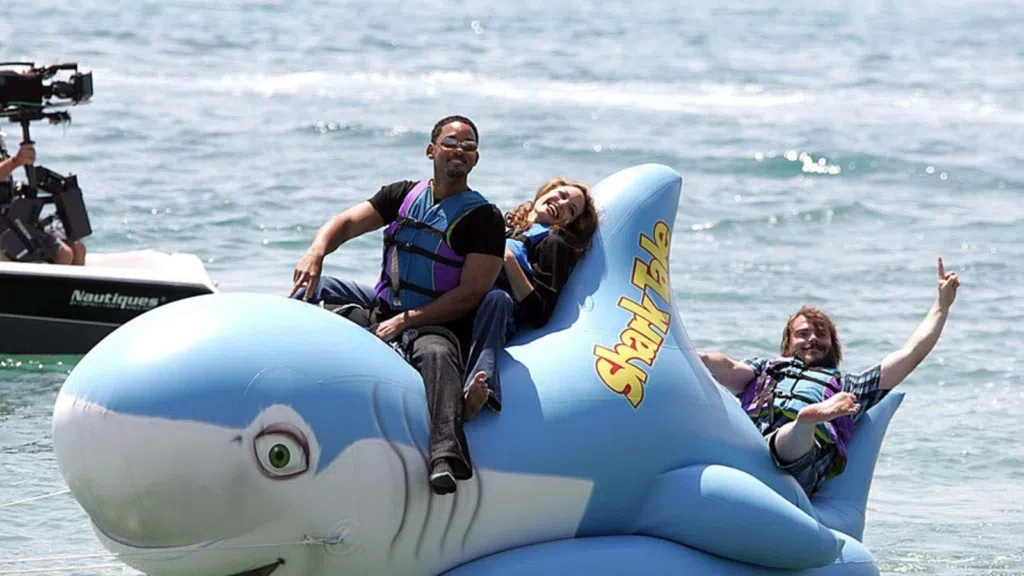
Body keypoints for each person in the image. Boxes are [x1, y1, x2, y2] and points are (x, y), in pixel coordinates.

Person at [288, 115, 506, 496]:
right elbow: (345, 222)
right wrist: (316, 253)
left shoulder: (485, 219)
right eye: (452, 143)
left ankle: (445, 456)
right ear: (431, 150)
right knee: (313, 291)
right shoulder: (401, 195)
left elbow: (471, 295)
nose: (460, 151)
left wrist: (407, 322)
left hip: (437, 321)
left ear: (475, 159)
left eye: (469, 146)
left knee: (437, 355)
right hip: (383, 307)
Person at [699, 256, 960, 497]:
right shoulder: (765, 369)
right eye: (803, 334)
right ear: (787, 344)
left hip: (800, 467)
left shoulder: (850, 388)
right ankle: (804, 421)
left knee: (793, 437)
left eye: (821, 335)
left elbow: (911, 353)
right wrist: (693, 356)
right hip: (749, 446)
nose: (812, 339)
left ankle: (807, 421)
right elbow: (727, 368)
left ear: (832, 345)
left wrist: (942, 304)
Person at [460, 177, 600, 421]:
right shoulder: (511, 227)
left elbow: (540, 313)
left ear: (569, 223)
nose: (562, 204)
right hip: (461, 295)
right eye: (562, 194)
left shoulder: (554, 244)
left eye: (571, 210)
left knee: (498, 299)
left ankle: (479, 387)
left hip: (493, 311)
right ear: (548, 190)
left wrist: (510, 262)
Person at [0, 134, 86, 265]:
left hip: (12, 212)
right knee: (64, 255)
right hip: (4, 223)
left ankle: (78, 286)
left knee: (78, 248)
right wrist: (15, 161)